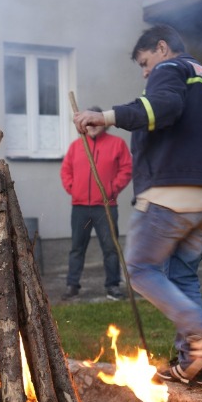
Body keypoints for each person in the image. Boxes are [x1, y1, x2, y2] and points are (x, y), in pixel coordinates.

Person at [74, 24, 202, 385]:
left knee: (139, 269)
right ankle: (192, 364)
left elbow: (162, 108)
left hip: (171, 193)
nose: (145, 72)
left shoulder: (171, 69)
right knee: (183, 275)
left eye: (144, 62)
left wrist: (104, 117)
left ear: (162, 47)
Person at [60, 108, 133, 301]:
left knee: (110, 247)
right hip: (80, 207)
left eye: (94, 122)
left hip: (106, 207)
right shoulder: (76, 146)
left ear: (103, 123)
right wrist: (73, 188)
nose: (91, 127)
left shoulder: (117, 144)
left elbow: (126, 169)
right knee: (77, 247)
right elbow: (66, 170)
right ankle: (72, 285)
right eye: (88, 123)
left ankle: (113, 286)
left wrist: (112, 189)